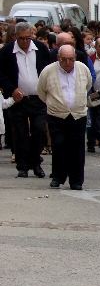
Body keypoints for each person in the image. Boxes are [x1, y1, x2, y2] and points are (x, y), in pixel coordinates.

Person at [0, 22, 52, 178]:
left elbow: (48, 70)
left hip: (38, 99)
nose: (25, 41)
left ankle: (36, 162)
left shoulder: (40, 49)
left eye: (28, 38)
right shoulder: (7, 51)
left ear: (32, 36)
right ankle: (22, 165)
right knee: (19, 133)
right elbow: (1, 74)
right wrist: (12, 90)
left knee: (39, 130)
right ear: (15, 36)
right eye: (21, 38)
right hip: (18, 100)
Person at [37, 45, 93, 190]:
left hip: (77, 114)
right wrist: (54, 103)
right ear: (58, 58)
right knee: (59, 145)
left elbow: (87, 85)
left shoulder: (82, 69)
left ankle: (76, 180)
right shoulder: (48, 71)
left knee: (77, 148)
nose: (68, 63)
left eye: (71, 59)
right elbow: (42, 91)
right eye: (64, 60)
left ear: (75, 58)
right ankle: (58, 176)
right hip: (57, 114)